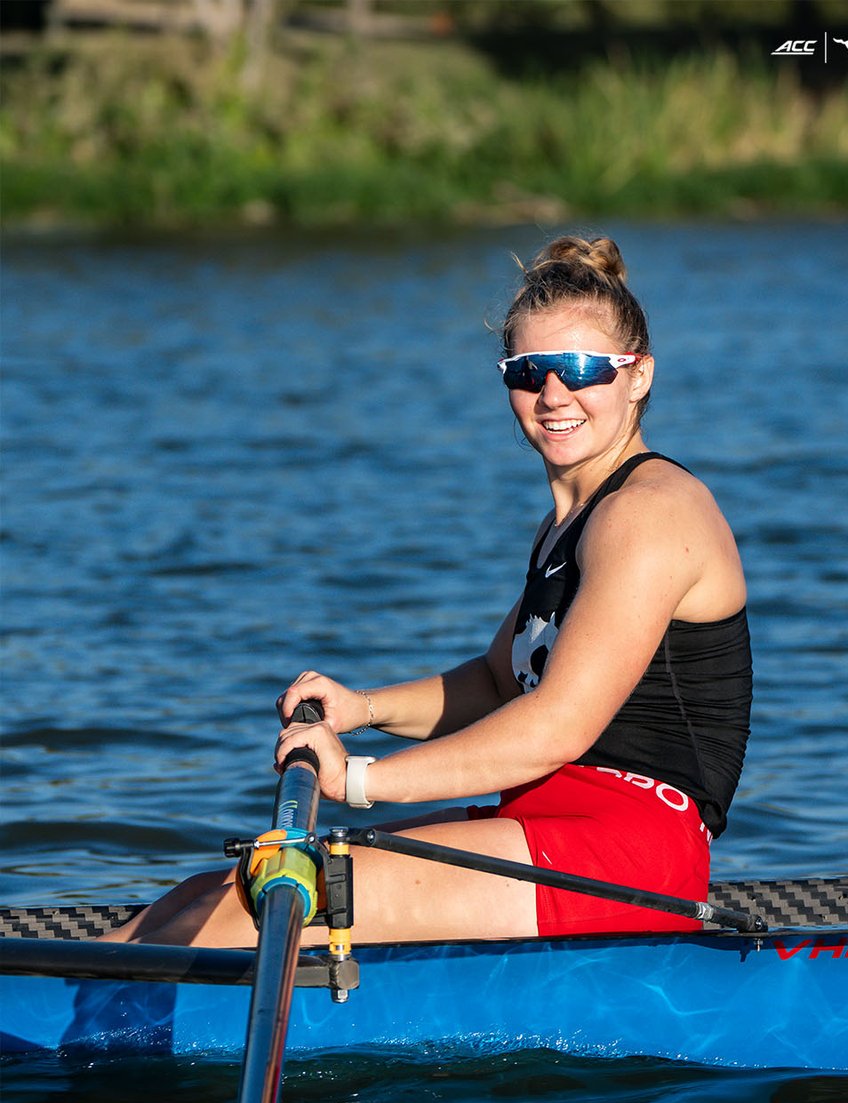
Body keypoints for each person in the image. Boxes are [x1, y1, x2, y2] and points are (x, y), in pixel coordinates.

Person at [105, 234, 751, 949]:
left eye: (581, 369)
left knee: (247, 917)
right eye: (528, 370)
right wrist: (365, 709)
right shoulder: (568, 522)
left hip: (628, 856)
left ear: (637, 376)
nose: (553, 393)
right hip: (542, 826)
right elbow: (494, 682)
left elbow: (554, 729)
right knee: (214, 893)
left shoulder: (649, 512)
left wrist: (354, 779)